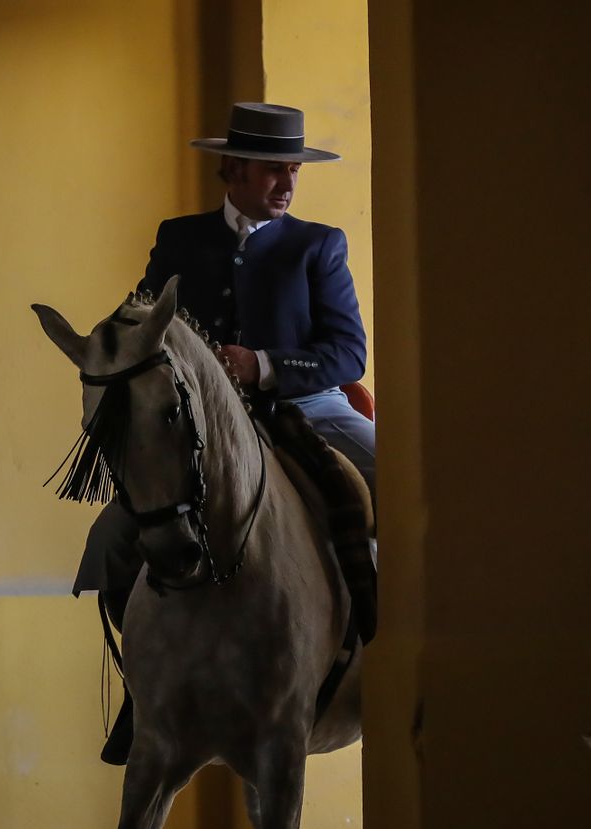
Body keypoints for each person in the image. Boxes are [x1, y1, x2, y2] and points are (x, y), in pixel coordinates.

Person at [76, 102, 375, 765]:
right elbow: (143, 322)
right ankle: (144, 684)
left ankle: (382, 658)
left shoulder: (317, 244)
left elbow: (348, 354)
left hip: (306, 408)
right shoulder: (180, 238)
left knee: (394, 480)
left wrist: (265, 365)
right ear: (232, 169)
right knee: (112, 538)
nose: (286, 184)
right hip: (202, 425)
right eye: (273, 170)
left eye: (292, 170)